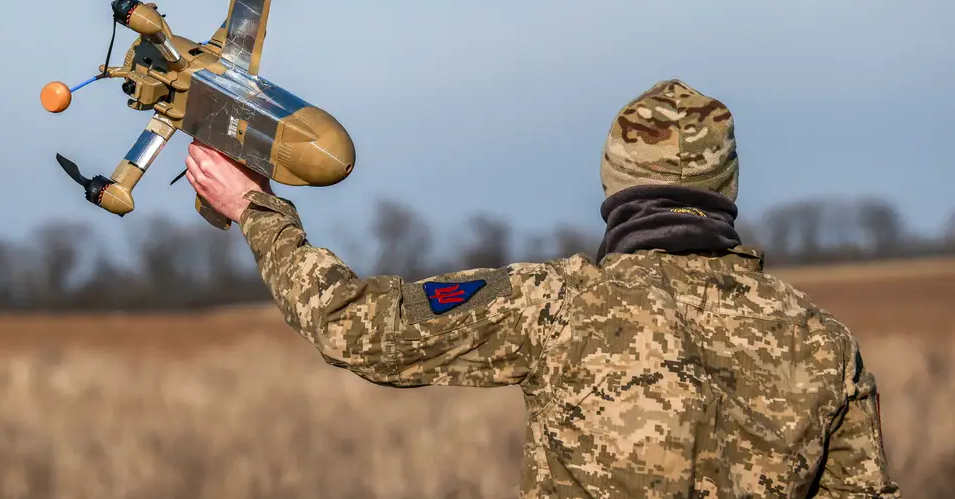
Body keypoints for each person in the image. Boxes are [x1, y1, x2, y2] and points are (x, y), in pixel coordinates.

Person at [185, 79, 901, 498]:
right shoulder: (823, 343)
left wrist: (255, 209)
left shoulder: (560, 306)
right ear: (726, 187)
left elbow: (354, 325)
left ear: (616, 183)